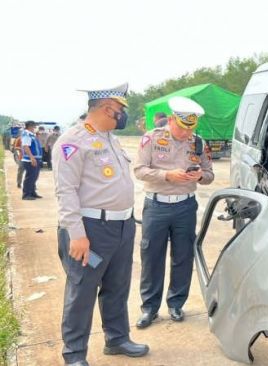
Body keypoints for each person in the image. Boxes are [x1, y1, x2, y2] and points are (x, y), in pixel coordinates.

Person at [52, 83, 149, 366]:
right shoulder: (72, 141)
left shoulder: (109, 138)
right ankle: (74, 355)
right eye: (120, 110)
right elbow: (66, 191)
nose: (122, 116)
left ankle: (117, 339)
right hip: (90, 231)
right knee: (82, 292)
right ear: (107, 108)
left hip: (121, 227)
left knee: (117, 286)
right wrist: (77, 236)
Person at [133, 96, 213, 328]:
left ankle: (176, 304)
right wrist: (167, 175)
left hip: (185, 207)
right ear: (170, 120)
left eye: (190, 130)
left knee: (183, 256)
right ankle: (149, 308)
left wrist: (200, 176)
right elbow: (139, 170)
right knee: (152, 257)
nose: (185, 134)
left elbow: (209, 175)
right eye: (180, 128)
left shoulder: (198, 143)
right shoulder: (152, 138)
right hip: (156, 206)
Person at [21, 121, 43, 200]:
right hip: (29, 160)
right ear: (30, 126)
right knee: (30, 177)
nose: (35, 128)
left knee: (34, 177)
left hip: (36, 159)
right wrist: (31, 158)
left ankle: (32, 192)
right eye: (34, 126)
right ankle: (26, 194)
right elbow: (26, 147)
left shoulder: (32, 135)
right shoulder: (26, 134)